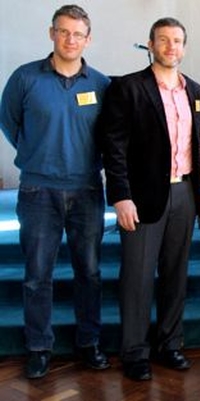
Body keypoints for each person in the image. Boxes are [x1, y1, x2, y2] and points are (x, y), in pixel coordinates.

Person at [0, 5, 110, 379]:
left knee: (90, 273)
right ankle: (38, 347)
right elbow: (9, 119)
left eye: (78, 34)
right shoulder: (25, 78)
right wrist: (35, 153)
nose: (70, 40)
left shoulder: (100, 84)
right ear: (51, 33)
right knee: (37, 274)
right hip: (38, 190)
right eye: (63, 32)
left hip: (87, 190)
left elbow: (108, 135)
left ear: (88, 39)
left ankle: (88, 342)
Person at [98, 17, 200, 381]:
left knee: (176, 274)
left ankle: (170, 344)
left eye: (177, 40)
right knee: (138, 278)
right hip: (142, 198)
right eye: (164, 40)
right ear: (151, 44)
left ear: (184, 47)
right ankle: (135, 352)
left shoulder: (195, 90)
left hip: (184, 193)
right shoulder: (128, 88)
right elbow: (113, 146)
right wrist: (121, 197)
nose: (171, 46)